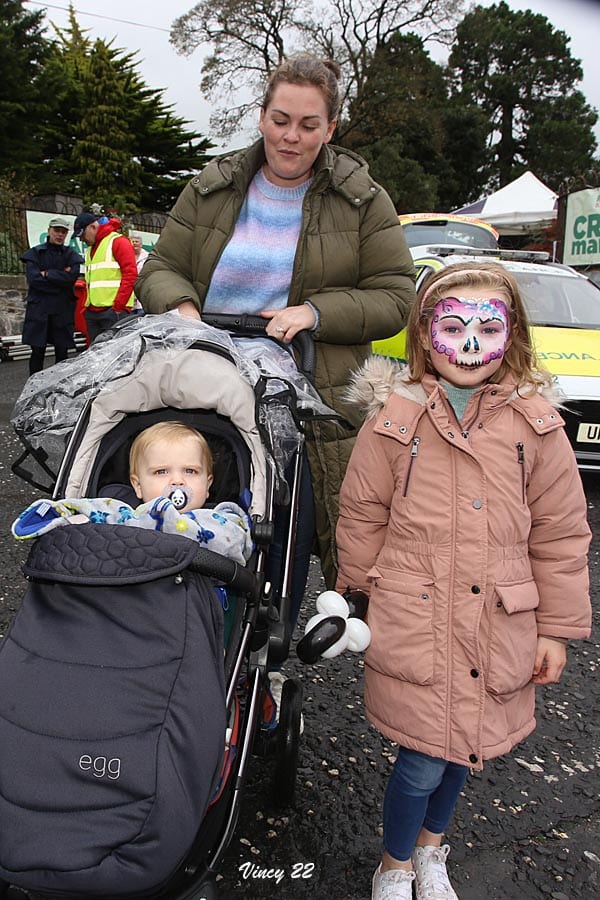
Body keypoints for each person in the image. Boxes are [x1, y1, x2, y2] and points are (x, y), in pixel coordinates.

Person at [335, 262, 592, 900]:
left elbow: (560, 533)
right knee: (422, 757)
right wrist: (359, 600)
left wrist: (557, 630)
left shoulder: (536, 427)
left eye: (488, 328)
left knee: (462, 749)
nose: (471, 345)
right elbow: (362, 512)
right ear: (425, 334)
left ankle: (430, 850)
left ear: (514, 336)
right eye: (454, 327)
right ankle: (394, 865)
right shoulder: (394, 421)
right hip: (415, 618)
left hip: (497, 621)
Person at [136, 53, 416, 627]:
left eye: (309, 125)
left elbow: (396, 296)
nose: (292, 136)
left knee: (286, 522)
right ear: (261, 116)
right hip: (204, 370)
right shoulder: (212, 188)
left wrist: (314, 312)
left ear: (330, 128)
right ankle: (166, 617)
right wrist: (183, 307)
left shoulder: (364, 202)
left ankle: (266, 639)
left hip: (307, 384)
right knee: (198, 487)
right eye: (281, 119)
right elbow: (160, 267)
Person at [12, 421, 253, 566]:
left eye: (190, 471)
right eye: (161, 472)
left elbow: (233, 543)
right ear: (137, 486)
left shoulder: (221, 518)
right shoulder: (124, 512)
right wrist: (58, 514)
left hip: (196, 605)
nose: (177, 480)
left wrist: (168, 518)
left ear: (208, 483)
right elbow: (88, 511)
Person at [20, 216, 84, 375]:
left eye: (63, 232)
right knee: (37, 352)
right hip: (39, 309)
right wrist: (60, 278)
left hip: (62, 310)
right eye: (57, 230)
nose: (60, 234)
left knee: (62, 352)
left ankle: (59, 388)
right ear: (49, 231)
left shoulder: (70, 255)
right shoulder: (35, 253)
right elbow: (34, 280)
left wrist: (47, 274)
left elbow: (71, 279)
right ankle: (33, 388)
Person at [72, 212, 138, 342]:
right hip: (94, 311)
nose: (81, 240)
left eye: (82, 235)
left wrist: (118, 306)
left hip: (113, 311)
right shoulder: (91, 249)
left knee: (117, 356)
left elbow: (130, 275)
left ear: (92, 227)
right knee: (97, 356)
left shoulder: (118, 242)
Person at [130, 234, 149, 314]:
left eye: (136, 241)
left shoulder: (147, 256)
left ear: (141, 244)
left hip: (142, 291)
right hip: (130, 294)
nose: (134, 243)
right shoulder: (126, 256)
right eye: (132, 241)